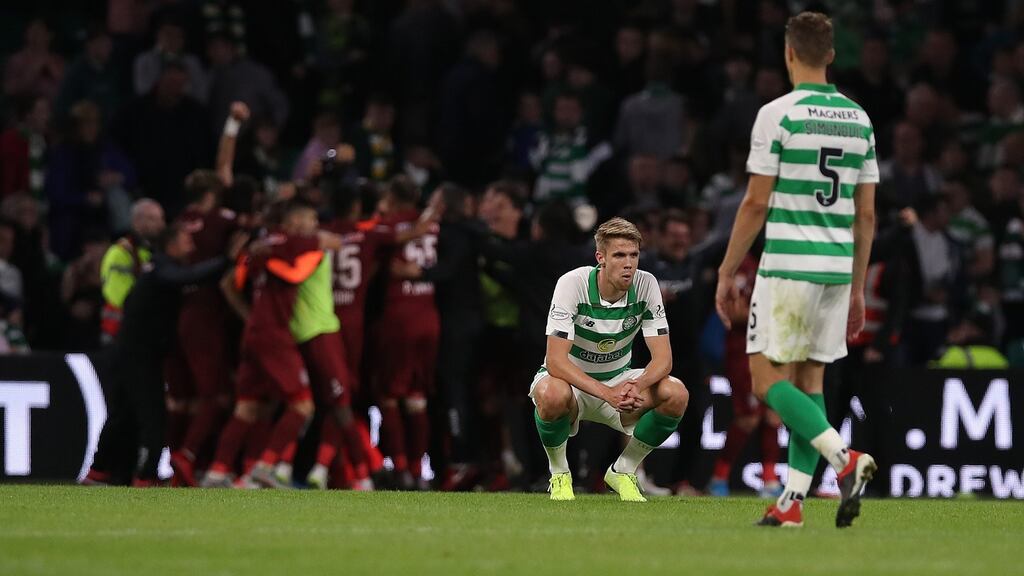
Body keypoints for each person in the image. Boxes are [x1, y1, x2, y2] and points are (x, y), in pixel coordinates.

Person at [715, 12, 879, 528]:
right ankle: (792, 503)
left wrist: (726, 271)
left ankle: (844, 458)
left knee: (767, 382)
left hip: (787, 266)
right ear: (830, 54)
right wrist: (858, 288)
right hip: (835, 269)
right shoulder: (859, 118)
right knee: (809, 384)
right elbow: (867, 213)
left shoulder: (777, 114)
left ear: (789, 54)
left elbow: (755, 202)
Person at [531, 217, 689, 502]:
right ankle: (559, 474)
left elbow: (663, 360)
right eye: (619, 255)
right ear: (600, 258)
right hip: (572, 383)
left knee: (675, 393)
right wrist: (608, 393)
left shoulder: (646, 284)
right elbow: (555, 361)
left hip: (618, 380)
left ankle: (623, 469)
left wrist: (637, 385)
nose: (629, 263)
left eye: (634, 255)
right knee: (551, 393)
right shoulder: (573, 283)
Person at [83, 223, 242, 486]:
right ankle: (145, 476)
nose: (191, 245)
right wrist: (225, 260)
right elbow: (186, 277)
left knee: (123, 413)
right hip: (139, 355)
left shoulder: (156, 268)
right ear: (171, 245)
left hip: (132, 351)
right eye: (185, 240)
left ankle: (99, 471)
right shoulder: (161, 269)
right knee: (153, 415)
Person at [166, 170, 239, 486]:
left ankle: (177, 465)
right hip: (206, 314)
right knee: (217, 395)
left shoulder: (179, 221)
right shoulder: (221, 220)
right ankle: (188, 455)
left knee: (185, 398)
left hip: (176, 312)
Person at [370, 175, 440, 489]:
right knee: (417, 397)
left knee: (390, 395)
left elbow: (372, 239)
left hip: (399, 319)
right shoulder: (434, 227)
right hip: (429, 316)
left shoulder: (388, 226)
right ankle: (417, 468)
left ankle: (399, 467)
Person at [99, 199, 166, 344]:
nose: (160, 224)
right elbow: (119, 296)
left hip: (148, 333)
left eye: (161, 218)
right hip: (120, 334)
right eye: (152, 219)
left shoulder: (158, 252)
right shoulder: (120, 253)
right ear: (136, 221)